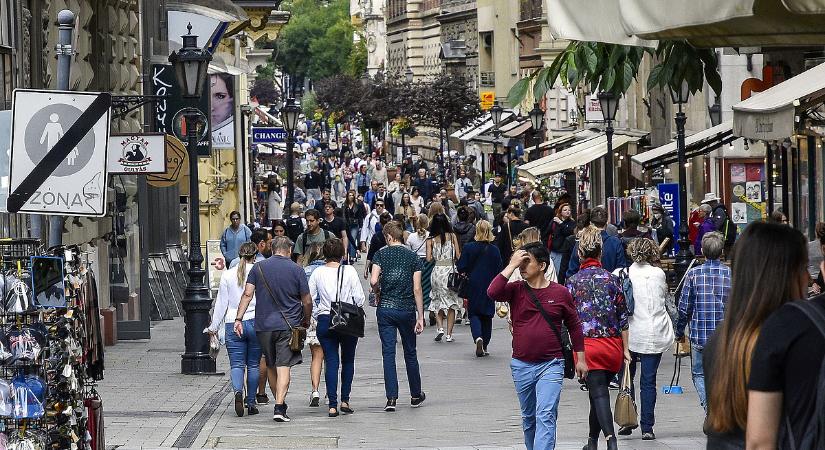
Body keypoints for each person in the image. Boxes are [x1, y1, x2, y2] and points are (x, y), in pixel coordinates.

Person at [703, 222, 811, 448]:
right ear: (785, 276)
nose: (808, 279)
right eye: (803, 269)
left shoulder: (721, 342)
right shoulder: (791, 342)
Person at [487, 243, 587, 450]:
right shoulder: (515, 290)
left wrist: (581, 359)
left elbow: (574, 326)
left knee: (546, 414)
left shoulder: (560, 293)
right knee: (529, 417)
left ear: (541, 265)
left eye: (526, 262)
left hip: (551, 363)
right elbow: (492, 292)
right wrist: (511, 265)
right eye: (520, 263)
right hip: (521, 365)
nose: (522, 267)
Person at [233, 236, 313, 422]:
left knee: (270, 364)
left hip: (263, 325)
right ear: (289, 250)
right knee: (284, 365)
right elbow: (307, 300)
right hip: (288, 325)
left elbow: (247, 294)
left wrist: (238, 318)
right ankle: (279, 406)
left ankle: (279, 402)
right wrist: (306, 320)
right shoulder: (297, 270)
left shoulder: (258, 268)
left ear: (272, 248)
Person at [565, 227, 630, 450]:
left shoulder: (573, 282)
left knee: (599, 392)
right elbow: (623, 316)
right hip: (612, 345)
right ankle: (592, 441)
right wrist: (627, 349)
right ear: (601, 254)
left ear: (580, 254)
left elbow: (567, 318)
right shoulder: (612, 280)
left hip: (586, 346)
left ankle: (611, 440)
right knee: (597, 392)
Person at [613, 238, 674, 439]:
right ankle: (647, 427)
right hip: (654, 332)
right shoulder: (658, 274)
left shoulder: (622, 274)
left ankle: (627, 419)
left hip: (629, 333)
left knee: (627, 379)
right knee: (648, 381)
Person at [369, 222, 427, 412]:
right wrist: (420, 315)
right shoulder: (412, 257)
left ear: (388, 237)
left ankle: (391, 398)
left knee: (388, 353)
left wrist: (377, 291)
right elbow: (417, 288)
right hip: (406, 309)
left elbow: (374, 280)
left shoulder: (380, 254)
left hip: (385, 308)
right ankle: (415, 394)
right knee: (410, 352)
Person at [309, 238, 366, 417]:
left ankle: (332, 404)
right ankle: (345, 400)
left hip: (326, 319)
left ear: (324, 254)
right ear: (342, 254)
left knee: (332, 361)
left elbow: (310, 298)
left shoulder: (317, 272)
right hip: (347, 319)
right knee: (348, 360)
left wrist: (318, 312)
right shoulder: (349, 271)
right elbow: (360, 298)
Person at [675, 231, 730, 411]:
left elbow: (684, 308)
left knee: (699, 373)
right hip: (724, 336)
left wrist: (679, 332)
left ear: (702, 251)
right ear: (721, 251)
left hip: (699, 335)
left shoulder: (693, 274)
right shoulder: (730, 274)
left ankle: (709, 408)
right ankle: (719, 408)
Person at [208, 243, 261, 416]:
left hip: (233, 322)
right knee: (253, 364)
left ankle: (238, 392)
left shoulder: (228, 275)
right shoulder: (260, 272)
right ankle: (251, 402)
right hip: (255, 322)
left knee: (237, 364)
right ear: (255, 255)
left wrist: (213, 327)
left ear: (239, 256)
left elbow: (221, 304)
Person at [456, 220, 502, 356]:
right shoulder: (494, 249)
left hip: (473, 283)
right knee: (487, 315)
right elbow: (500, 269)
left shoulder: (469, 247)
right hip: (490, 283)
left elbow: (461, 266)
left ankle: (478, 337)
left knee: (474, 313)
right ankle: (485, 344)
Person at [427, 213, 462, 342]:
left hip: (436, 271)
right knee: (451, 303)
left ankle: (440, 327)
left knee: (437, 300)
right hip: (449, 271)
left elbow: (428, 258)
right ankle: (449, 334)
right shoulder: (452, 237)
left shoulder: (430, 239)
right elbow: (458, 255)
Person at [566, 206, 628, 278]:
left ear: (590, 223)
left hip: (583, 285)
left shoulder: (582, 241)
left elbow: (572, 270)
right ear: (606, 223)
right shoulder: (615, 242)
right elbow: (621, 269)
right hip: (609, 286)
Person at [302, 243, 326, 408]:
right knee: (330, 355)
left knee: (316, 356)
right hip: (329, 316)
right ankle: (330, 392)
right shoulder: (330, 270)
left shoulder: (304, 272)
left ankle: (315, 390)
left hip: (312, 317)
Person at [406, 214, 433, 311]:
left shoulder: (411, 237)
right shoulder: (431, 235)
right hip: (429, 264)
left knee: (417, 287)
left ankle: (419, 311)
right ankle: (431, 310)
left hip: (415, 264)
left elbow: (408, 252)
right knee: (430, 288)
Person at [559, 213, 589, 286]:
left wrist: (561, 284)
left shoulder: (570, 240)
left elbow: (564, 265)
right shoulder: (593, 240)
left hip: (574, 278)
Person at [549, 203, 575, 276]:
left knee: (561, 273)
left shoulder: (572, 223)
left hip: (564, 251)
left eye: (569, 210)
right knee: (553, 273)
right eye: (565, 210)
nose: (567, 211)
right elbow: (548, 232)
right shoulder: (554, 222)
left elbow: (568, 232)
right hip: (554, 251)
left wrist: (561, 223)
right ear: (560, 212)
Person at [365, 212, 393, 279]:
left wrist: (366, 268)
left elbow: (370, 254)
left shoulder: (376, 236)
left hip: (377, 266)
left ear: (380, 223)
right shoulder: (394, 236)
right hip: (391, 266)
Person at [343, 190, 366, 263]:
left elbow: (360, 216)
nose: (351, 197)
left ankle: (352, 257)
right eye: (349, 195)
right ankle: (349, 255)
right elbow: (343, 215)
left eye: (352, 195)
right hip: (347, 225)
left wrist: (361, 226)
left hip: (355, 224)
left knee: (352, 238)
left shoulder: (358, 204)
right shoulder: (344, 205)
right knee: (348, 240)